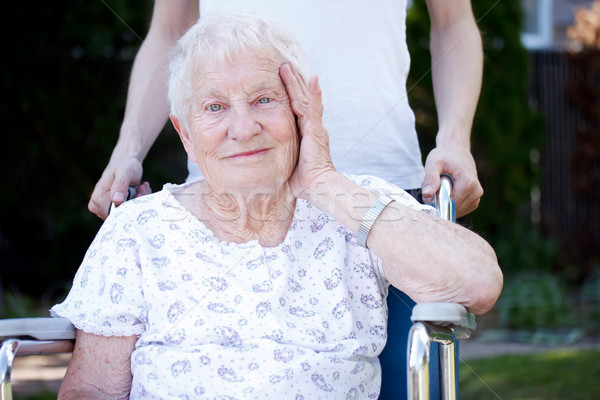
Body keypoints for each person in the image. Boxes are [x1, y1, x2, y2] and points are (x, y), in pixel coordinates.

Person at [54, 15, 502, 399]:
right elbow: (90, 390)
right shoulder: (139, 230)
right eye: (215, 107)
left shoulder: (353, 207)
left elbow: (479, 282)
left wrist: (324, 183)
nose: (244, 127)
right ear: (185, 134)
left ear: (301, 110)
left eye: (265, 99)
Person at [88, 0, 484, 220]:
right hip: (228, 191)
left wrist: (455, 140)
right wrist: (128, 150)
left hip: (377, 184)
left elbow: (453, 23)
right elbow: (170, 32)